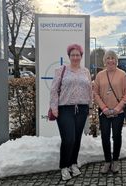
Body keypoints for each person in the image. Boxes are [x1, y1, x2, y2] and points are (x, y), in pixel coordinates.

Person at [49, 44, 92, 181]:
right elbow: (54, 90)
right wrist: (54, 108)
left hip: (82, 108)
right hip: (65, 108)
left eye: (77, 55)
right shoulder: (61, 70)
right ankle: (64, 166)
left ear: (81, 56)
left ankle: (73, 163)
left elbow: (89, 90)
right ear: (69, 56)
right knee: (69, 139)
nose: (75, 57)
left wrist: (90, 106)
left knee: (77, 139)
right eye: (72, 55)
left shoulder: (85, 72)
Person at [93, 50, 126, 174]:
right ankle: (107, 161)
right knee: (104, 137)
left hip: (118, 113)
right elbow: (95, 93)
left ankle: (115, 161)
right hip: (103, 112)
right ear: (104, 60)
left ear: (116, 60)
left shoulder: (123, 74)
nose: (110, 60)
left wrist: (118, 108)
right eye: (108, 58)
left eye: (113, 58)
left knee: (116, 136)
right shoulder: (100, 75)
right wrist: (103, 108)